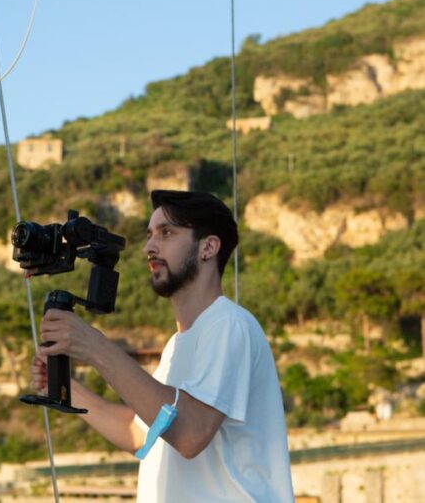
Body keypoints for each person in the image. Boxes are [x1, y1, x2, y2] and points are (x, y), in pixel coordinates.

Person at [31, 190, 294, 502]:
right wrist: (65, 388)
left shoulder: (229, 324)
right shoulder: (175, 345)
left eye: (166, 233)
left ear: (208, 247)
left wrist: (94, 346)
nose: (149, 247)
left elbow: (190, 434)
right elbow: (138, 431)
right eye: (149, 235)